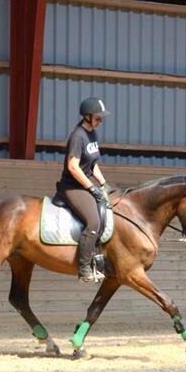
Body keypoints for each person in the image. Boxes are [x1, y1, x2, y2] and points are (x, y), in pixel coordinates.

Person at [55, 97, 113, 283]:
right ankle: (84, 268)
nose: (100, 121)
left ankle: (99, 258)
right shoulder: (78, 136)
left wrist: (103, 184)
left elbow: (92, 163)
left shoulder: (92, 134)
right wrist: (91, 187)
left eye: (101, 118)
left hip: (84, 184)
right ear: (87, 117)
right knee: (94, 221)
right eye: (97, 118)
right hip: (72, 187)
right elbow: (73, 167)